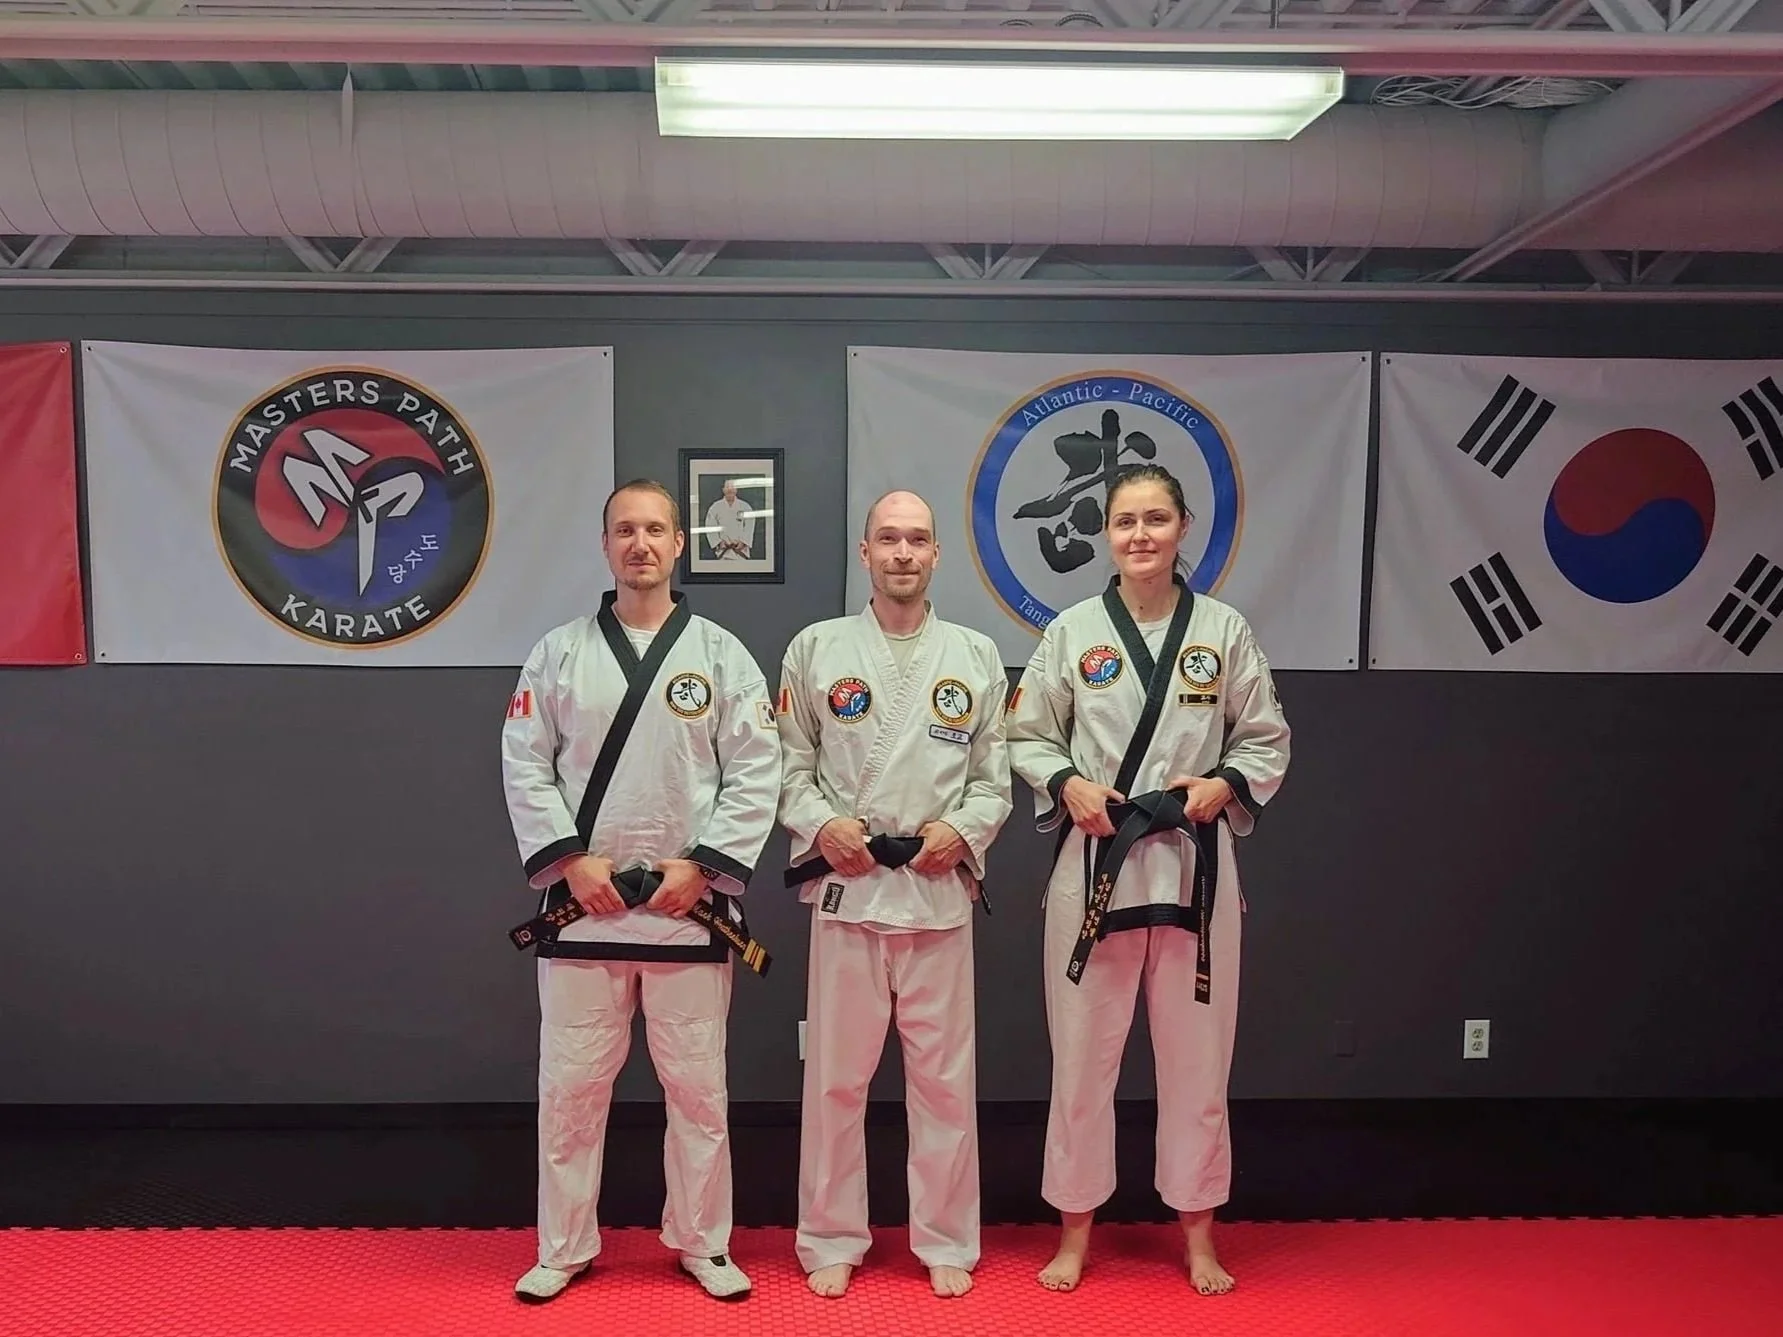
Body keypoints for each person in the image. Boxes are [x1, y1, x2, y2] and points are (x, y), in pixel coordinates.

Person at [1005, 463, 1290, 1297]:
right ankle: (1074, 1231)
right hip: (1096, 860)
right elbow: (1027, 735)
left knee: (1199, 1062)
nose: (1139, 535)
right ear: (1106, 532)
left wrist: (1225, 782)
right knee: (1080, 1060)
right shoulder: (1071, 631)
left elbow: (1265, 735)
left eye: (1155, 518)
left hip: (1191, 859)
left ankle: (1198, 1232)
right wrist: (1067, 783)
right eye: (1125, 520)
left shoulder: (1223, 630)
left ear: (1181, 527)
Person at [500, 478, 783, 1304]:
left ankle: (703, 1240)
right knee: (571, 1089)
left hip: (684, 907)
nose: (641, 544)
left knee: (698, 1090)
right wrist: (570, 861)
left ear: (679, 543)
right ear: (605, 545)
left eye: (655, 529)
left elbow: (755, 768)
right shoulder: (558, 653)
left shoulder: (722, 655)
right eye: (625, 530)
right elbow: (525, 762)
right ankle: (562, 1244)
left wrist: (704, 865)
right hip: (585, 906)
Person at [776, 489, 1014, 1300]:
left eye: (916, 539)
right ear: (864, 552)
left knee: (944, 1081)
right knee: (834, 1080)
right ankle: (830, 1234)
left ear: (936, 553)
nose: (902, 552)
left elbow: (993, 779)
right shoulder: (816, 647)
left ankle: (945, 1236)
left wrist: (963, 831)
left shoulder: (974, 654)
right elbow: (787, 765)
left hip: (935, 891)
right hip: (849, 889)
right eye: (888, 538)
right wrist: (821, 824)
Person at [704, 479, 755, 560]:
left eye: (732, 487)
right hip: (723, 551)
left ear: (736, 490)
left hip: (741, 551)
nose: (730, 489)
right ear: (723, 490)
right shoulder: (715, 507)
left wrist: (743, 542)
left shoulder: (745, 506)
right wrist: (719, 542)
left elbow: (749, 526)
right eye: (727, 487)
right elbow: (710, 525)